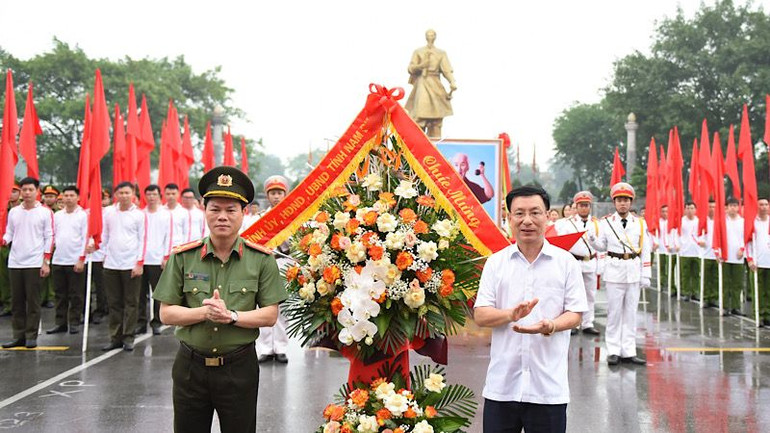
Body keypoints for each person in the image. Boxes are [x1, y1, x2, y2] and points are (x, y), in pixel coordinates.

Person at [153, 166, 286, 433]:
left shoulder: (261, 260)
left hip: (239, 369)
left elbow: (270, 315)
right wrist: (205, 313)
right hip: (190, 369)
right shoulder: (182, 257)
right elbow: (166, 314)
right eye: (215, 209)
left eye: (231, 210)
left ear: (244, 213)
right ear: (204, 210)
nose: (222, 217)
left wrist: (231, 317)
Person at [474, 185, 587, 433]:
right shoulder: (496, 263)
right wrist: (508, 315)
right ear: (509, 218)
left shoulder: (565, 262)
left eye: (535, 212)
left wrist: (552, 325)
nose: (527, 221)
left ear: (548, 215)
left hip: (548, 389)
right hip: (502, 387)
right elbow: (480, 314)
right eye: (519, 213)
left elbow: (576, 313)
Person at [589, 182, 651, 366]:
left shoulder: (640, 223)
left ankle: (629, 351)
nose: (623, 203)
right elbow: (602, 246)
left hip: (633, 269)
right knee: (614, 313)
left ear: (631, 202)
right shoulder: (606, 222)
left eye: (626, 200)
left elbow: (645, 249)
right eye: (619, 200)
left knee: (631, 313)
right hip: (615, 270)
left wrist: (646, 273)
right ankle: (614, 350)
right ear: (614, 202)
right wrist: (592, 240)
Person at [1, 177, 53, 349]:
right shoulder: (14, 211)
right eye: (24, 190)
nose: (27, 193)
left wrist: (46, 261)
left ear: (37, 191)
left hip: (34, 262)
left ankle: (31, 335)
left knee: (32, 301)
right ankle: (19, 335)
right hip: (15, 261)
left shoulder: (45, 212)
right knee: (17, 301)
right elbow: (9, 232)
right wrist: (4, 239)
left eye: (31, 190)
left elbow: (49, 236)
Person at [100, 182, 146, 351]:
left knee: (131, 303)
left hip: (130, 264)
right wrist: (98, 248)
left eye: (127, 192)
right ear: (116, 194)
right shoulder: (109, 212)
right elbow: (104, 235)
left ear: (133, 193)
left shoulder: (139, 215)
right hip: (111, 264)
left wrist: (139, 263)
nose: (124, 196)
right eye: (121, 193)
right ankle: (115, 337)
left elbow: (143, 239)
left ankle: (129, 336)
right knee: (114, 303)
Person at [255, 175, 292, 363]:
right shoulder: (260, 218)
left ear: (285, 194)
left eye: (279, 193)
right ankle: (265, 348)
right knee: (264, 306)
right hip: (265, 263)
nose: (276, 196)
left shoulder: (292, 217)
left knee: (282, 308)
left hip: (284, 263)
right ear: (267, 196)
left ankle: (281, 347)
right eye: (273, 193)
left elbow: (294, 244)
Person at [556, 191, 602, 336]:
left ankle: (588, 323)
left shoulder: (597, 224)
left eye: (586, 205)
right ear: (576, 206)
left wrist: (601, 265)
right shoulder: (565, 224)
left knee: (590, 294)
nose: (583, 208)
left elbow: (601, 247)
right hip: (574, 262)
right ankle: (572, 324)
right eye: (581, 205)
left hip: (590, 261)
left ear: (590, 206)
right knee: (572, 295)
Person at [47, 186, 88, 335]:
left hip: (75, 260)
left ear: (77, 197)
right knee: (60, 294)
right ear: (62, 198)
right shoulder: (57, 215)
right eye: (66, 195)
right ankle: (60, 322)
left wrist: (82, 259)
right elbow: (52, 236)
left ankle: (75, 321)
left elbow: (85, 238)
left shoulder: (83, 215)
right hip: (58, 259)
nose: (69, 198)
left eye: (72, 195)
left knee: (75, 294)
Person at [405, 29, 457, 138]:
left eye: (432, 35)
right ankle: (418, 143)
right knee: (419, 116)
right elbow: (411, 68)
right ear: (425, 36)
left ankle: (435, 145)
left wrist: (452, 81)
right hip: (422, 84)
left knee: (436, 119)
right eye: (428, 35)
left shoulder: (441, 53)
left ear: (435, 36)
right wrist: (421, 66)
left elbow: (446, 70)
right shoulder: (418, 52)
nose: (430, 36)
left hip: (435, 84)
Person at [136, 184, 172, 336]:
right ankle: (141, 323)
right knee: (139, 293)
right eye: (148, 194)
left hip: (157, 259)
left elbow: (169, 236)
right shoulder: (140, 214)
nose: (151, 197)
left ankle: (157, 321)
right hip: (141, 260)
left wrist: (166, 256)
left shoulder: (165, 214)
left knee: (157, 293)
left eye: (154, 194)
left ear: (159, 196)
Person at [748, 198, 770, 326]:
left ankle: (768, 314)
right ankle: (759, 314)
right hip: (758, 262)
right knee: (759, 290)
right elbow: (747, 242)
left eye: (766, 204)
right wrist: (750, 260)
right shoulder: (753, 223)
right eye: (761, 205)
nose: (764, 207)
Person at [0, 184, 21, 316]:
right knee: (4, 278)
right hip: (4, 246)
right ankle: (8, 304)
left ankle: (19, 305)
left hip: (19, 246)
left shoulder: (23, 209)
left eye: (14, 191)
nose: (11, 194)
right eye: (9, 191)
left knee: (19, 279)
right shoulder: (3, 208)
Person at [723, 197, 745, 316]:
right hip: (726, 256)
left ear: (739, 207)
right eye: (731, 206)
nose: (733, 208)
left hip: (738, 257)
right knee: (725, 283)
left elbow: (746, 238)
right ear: (727, 207)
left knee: (737, 284)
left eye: (735, 206)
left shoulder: (743, 222)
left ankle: (736, 307)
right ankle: (725, 306)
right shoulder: (722, 222)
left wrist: (742, 249)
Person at [678, 202, 701, 301]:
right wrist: (678, 245)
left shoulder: (699, 221)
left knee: (696, 273)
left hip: (697, 251)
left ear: (695, 210)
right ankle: (686, 292)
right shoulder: (681, 221)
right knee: (685, 274)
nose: (690, 210)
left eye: (692, 208)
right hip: (685, 251)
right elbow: (676, 234)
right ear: (684, 210)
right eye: (687, 208)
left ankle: (695, 292)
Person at [654, 204, 677, 295]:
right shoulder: (657, 222)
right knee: (662, 268)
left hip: (671, 249)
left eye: (666, 211)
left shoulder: (673, 222)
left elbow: (676, 234)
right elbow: (654, 234)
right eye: (663, 211)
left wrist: (675, 245)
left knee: (670, 269)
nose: (665, 213)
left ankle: (672, 287)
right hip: (661, 249)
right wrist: (655, 243)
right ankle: (662, 284)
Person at [700, 200, 719, 307]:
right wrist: (700, 241)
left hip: (717, 254)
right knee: (706, 278)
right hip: (706, 253)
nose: (712, 209)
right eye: (710, 207)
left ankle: (715, 297)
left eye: (714, 207)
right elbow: (696, 234)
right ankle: (706, 297)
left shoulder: (720, 222)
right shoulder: (703, 221)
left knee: (716, 277)